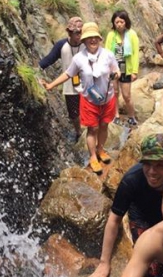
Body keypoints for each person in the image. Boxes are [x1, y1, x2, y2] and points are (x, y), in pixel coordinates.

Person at [84, 134, 163, 277]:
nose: (152, 171)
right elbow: (114, 220)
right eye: (147, 164)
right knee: (152, 269)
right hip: (143, 217)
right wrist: (104, 263)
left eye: (160, 165)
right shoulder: (132, 180)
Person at [43, 22, 119, 175]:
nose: (92, 40)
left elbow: (116, 70)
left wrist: (116, 74)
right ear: (84, 40)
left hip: (107, 97)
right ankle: (92, 157)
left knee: (104, 126)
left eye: (95, 37)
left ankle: (100, 150)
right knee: (93, 129)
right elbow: (68, 74)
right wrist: (51, 85)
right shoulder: (79, 58)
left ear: (99, 39)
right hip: (90, 100)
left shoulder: (108, 54)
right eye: (89, 38)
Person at [38, 17, 84, 140]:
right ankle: (79, 131)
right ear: (69, 32)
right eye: (76, 33)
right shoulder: (61, 45)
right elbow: (50, 59)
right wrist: (37, 68)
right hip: (69, 84)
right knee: (73, 113)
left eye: (80, 32)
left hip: (86, 84)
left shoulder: (86, 44)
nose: (79, 35)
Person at [105, 10, 140, 126]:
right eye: (117, 22)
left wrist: (135, 71)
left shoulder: (132, 34)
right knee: (114, 92)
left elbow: (135, 54)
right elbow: (107, 52)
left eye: (121, 21)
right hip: (114, 68)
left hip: (126, 68)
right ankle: (116, 115)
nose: (119, 24)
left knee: (126, 95)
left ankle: (131, 116)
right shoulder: (111, 35)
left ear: (126, 22)